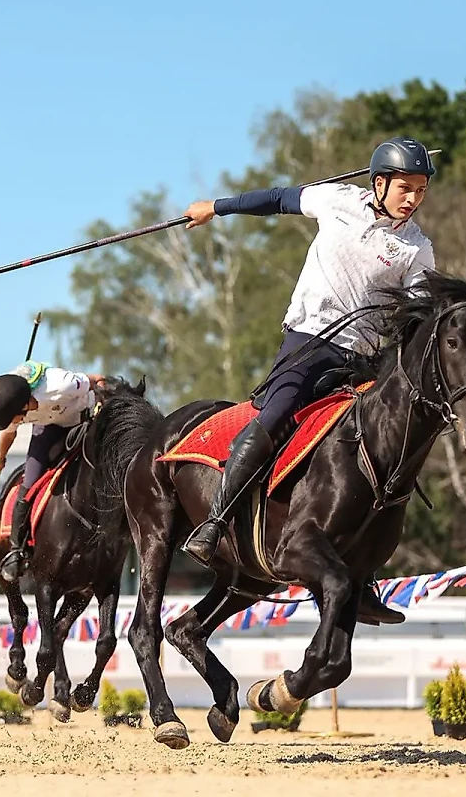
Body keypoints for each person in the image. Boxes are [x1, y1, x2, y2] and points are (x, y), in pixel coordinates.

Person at [179, 137, 438, 625]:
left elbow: (420, 312)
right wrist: (216, 207)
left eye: (421, 190)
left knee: (382, 453)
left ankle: (363, 578)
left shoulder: (417, 248)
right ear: (378, 181)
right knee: (275, 417)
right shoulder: (336, 199)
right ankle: (213, 524)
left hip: (361, 362)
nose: (413, 198)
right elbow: (277, 199)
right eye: (405, 187)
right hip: (307, 343)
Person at [0, 360, 106, 583]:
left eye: (14, 418)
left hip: (85, 420)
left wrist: (105, 404)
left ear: (25, 405)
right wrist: (0, 457)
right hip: (48, 428)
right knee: (28, 485)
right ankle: (16, 550)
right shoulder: (10, 398)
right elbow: (9, 433)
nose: (14, 422)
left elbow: (97, 379)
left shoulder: (61, 385)